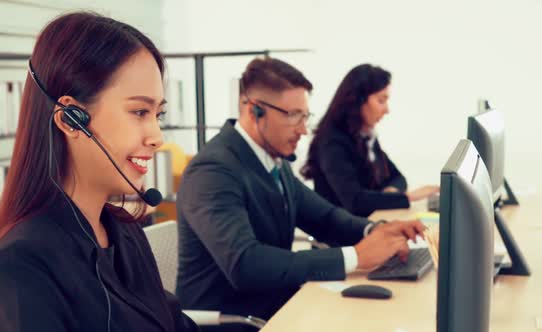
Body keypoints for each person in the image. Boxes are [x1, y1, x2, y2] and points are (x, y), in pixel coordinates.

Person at [0, 12, 197, 332]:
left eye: (158, 114)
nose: (157, 136)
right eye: (140, 112)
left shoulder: (123, 230)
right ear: (70, 119)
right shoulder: (24, 261)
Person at [175, 57, 424, 328]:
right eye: (293, 115)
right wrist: (356, 256)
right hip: (235, 321)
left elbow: (325, 217)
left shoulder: (273, 160)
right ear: (254, 111)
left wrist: (375, 230)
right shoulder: (213, 170)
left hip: (276, 306)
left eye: (304, 116)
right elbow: (245, 264)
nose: (303, 129)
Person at [301, 64, 439, 217]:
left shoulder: (365, 136)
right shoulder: (332, 142)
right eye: (381, 101)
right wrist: (409, 197)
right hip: (341, 238)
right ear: (357, 101)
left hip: (365, 224)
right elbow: (355, 202)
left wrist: (390, 194)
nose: (387, 110)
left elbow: (397, 178)